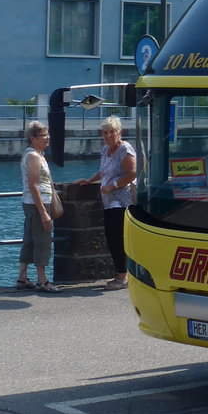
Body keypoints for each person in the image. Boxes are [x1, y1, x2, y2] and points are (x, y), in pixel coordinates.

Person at [76, 116, 136, 290]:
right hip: (109, 201)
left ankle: (122, 277)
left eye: (112, 131)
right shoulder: (106, 150)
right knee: (111, 237)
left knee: (117, 238)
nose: (109, 135)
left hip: (122, 201)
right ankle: (120, 274)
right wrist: (89, 181)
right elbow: (104, 172)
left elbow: (132, 173)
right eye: (105, 132)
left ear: (119, 132)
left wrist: (113, 185)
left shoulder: (125, 148)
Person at [17, 121, 61, 292]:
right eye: (44, 135)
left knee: (29, 239)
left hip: (31, 203)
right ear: (33, 138)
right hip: (38, 204)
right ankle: (42, 280)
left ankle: (22, 277)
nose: (48, 137)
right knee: (43, 240)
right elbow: (33, 185)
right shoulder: (34, 156)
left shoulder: (34, 154)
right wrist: (44, 213)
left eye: (47, 134)